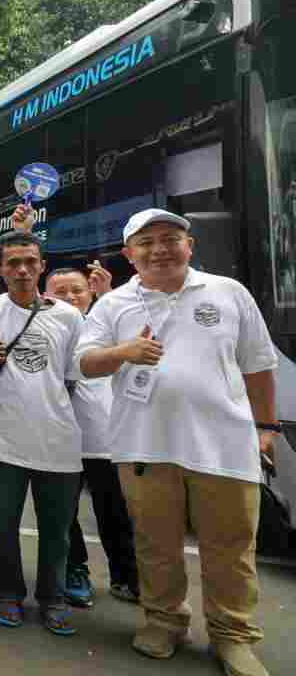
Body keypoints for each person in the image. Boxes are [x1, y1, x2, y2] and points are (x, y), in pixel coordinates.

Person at [77, 209, 279, 675]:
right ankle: (165, 621)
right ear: (129, 254)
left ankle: (232, 636)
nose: (159, 250)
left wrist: (266, 428)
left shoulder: (228, 292)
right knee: (156, 543)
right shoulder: (113, 304)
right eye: (146, 243)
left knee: (231, 546)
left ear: (190, 245)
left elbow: (258, 364)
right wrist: (124, 352)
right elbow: (84, 363)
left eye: (170, 238)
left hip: (226, 444)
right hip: (144, 444)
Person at [0, 230, 84, 636]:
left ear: (42, 266)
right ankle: (8, 594)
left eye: (30, 261)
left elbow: (72, 377)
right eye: (13, 263)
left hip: (58, 437)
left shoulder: (69, 317)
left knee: (57, 529)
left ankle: (53, 598)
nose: (22, 270)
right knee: (2, 524)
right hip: (2, 439)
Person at [43, 266, 140, 608]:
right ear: (45, 295)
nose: (70, 297)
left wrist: (108, 296)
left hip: (104, 438)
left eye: (77, 290)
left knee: (116, 512)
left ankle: (126, 577)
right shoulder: (40, 327)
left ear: (91, 293)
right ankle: (75, 571)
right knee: (64, 516)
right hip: (59, 438)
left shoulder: (107, 324)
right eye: (60, 292)